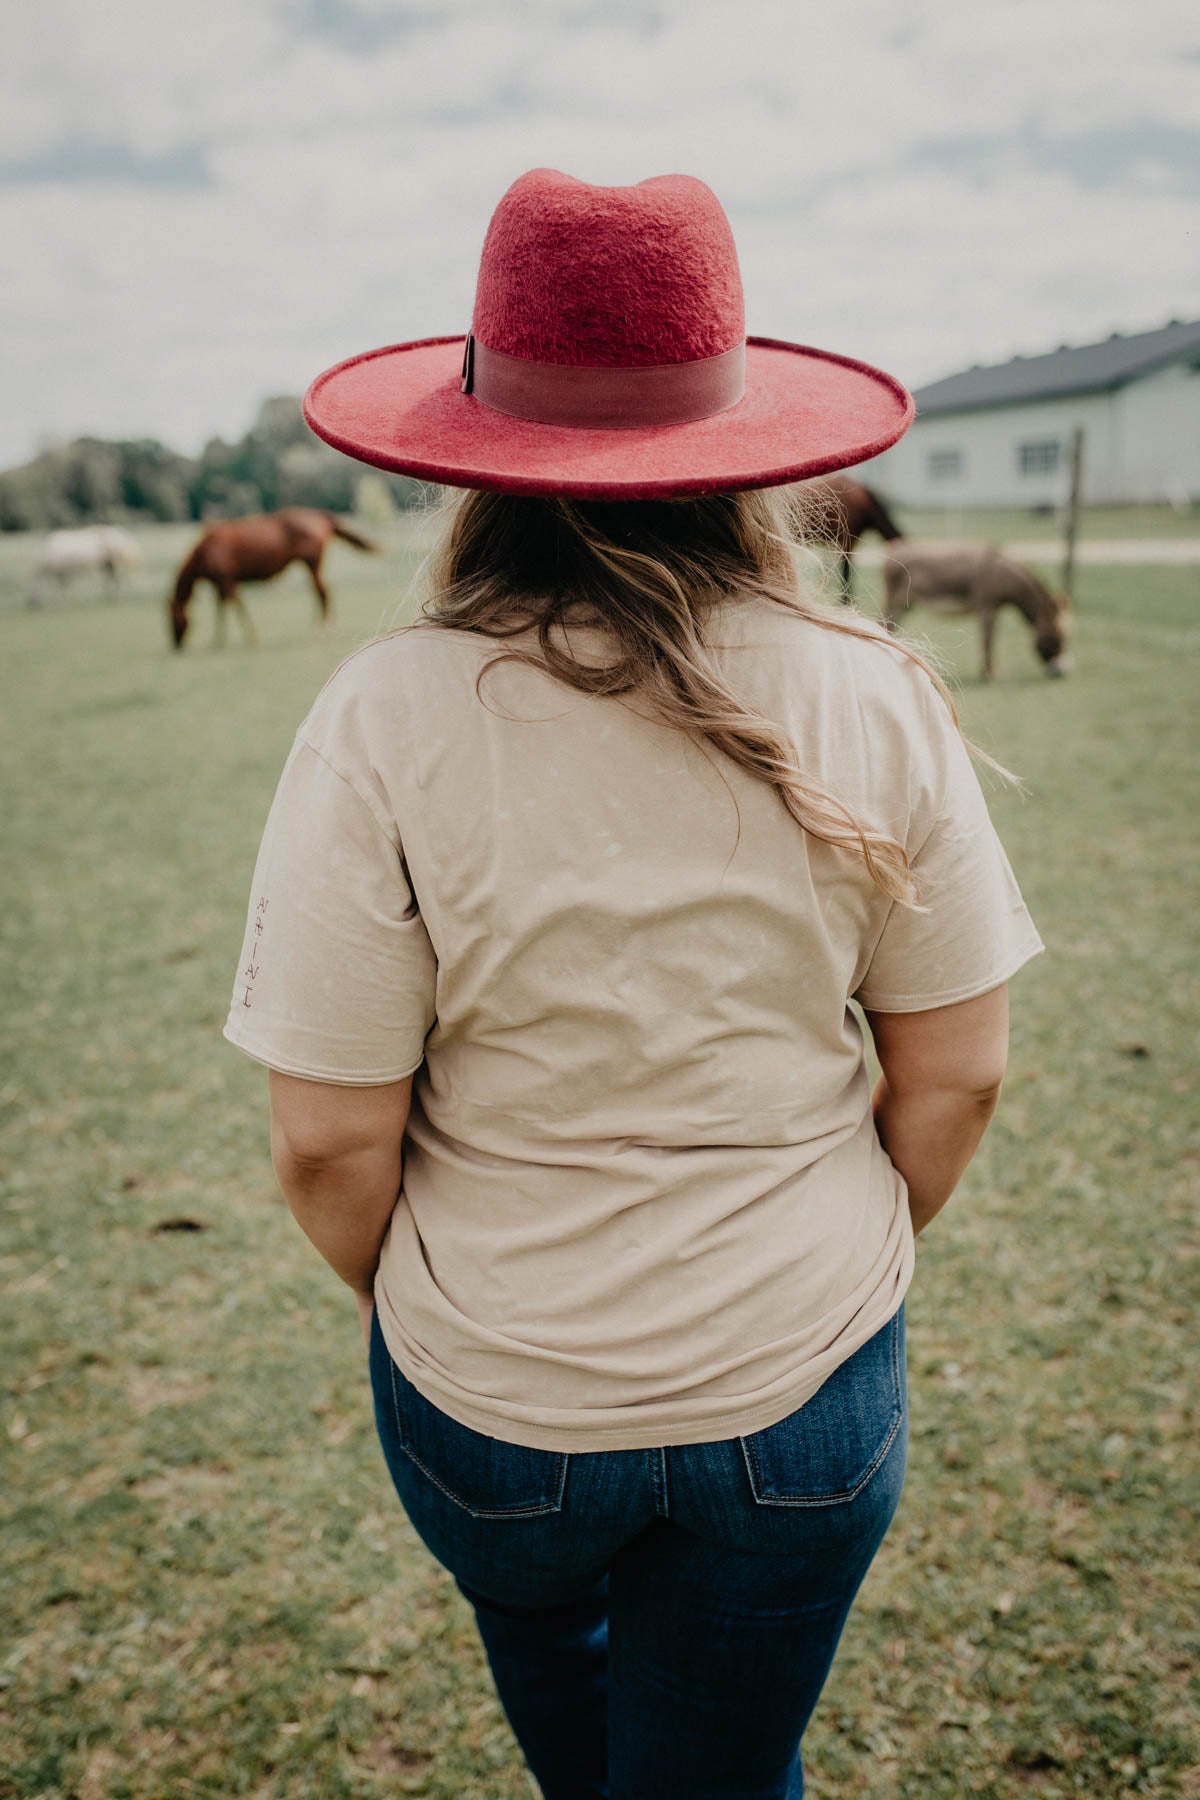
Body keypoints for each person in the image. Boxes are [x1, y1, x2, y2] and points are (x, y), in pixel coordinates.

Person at [225, 168, 1043, 1800]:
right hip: (804, 1388)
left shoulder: (382, 711)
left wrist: (477, 1308)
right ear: (740, 448)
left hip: (492, 1405)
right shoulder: (879, 694)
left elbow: (327, 1144)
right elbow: (956, 1075)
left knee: (578, 1715)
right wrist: (807, 1261)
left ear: (473, 456)